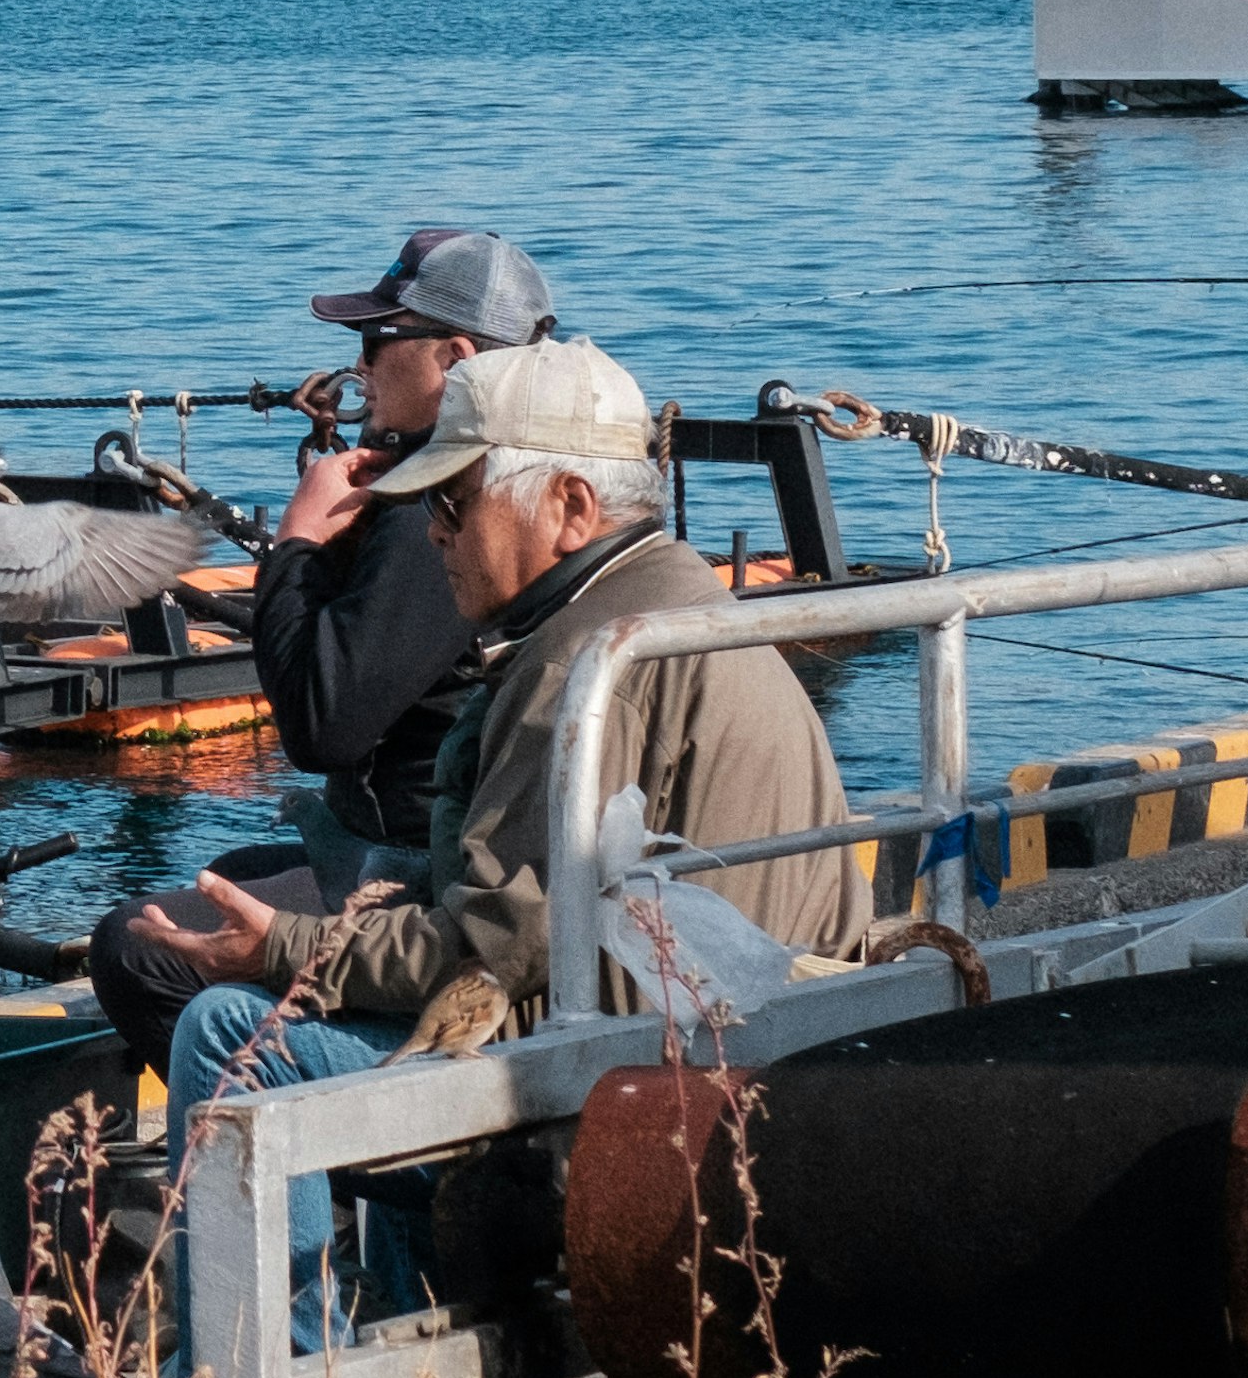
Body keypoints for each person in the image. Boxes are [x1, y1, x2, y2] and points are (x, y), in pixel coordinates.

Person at [141, 336, 865, 1306]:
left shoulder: (581, 668)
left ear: (570, 508)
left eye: (454, 501)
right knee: (384, 1014)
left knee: (231, 1037)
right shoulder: (682, 599)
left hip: (647, 1131)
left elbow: (485, 955)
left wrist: (284, 948)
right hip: (770, 1084)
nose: (434, 533)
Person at [89, 222, 558, 1082]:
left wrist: (298, 545)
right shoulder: (508, 479)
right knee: (228, 875)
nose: (362, 363)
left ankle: (326, 1156)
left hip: (425, 877)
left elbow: (320, 728)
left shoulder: (434, 518)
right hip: (434, 853)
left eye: (381, 340)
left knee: (136, 946)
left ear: (454, 359)